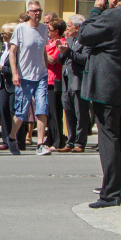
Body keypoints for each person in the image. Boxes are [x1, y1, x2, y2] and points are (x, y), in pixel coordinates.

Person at [77, 0, 121, 208]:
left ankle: (111, 193)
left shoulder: (111, 16)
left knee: (109, 139)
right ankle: (116, 188)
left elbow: (83, 34)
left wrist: (96, 10)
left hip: (109, 88)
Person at [9, 1, 51, 156]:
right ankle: (12, 137)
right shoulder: (20, 29)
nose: (37, 13)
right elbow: (13, 52)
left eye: (39, 10)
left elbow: (44, 52)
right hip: (24, 75)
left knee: (42, 108)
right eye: (34, 11)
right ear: (28, 13)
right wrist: (15, 72)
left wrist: (45, 68)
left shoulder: (44, 29)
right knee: (22, 111)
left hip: (41, 75)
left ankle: (40, 143)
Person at [58, 15, 90, 152]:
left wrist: (69, 52)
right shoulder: (68, 40)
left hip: (78, 81)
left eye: (69, 26)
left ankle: (80, 142)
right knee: (68, 112)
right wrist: (61, 52)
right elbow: (61, 60)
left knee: (80, 113)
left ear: (77, 28)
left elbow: (84, 59)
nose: (67, 28)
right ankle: (69, 141)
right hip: (66, 81)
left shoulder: (86, 42)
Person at [0, 23, 21, 154]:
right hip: (3, 84)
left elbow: (18, 69)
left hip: (14, 83)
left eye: (5, 34)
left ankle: (17, 140)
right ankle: (5, 141)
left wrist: (2, 68)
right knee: (4, 111)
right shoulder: (3, 48)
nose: (2, 36)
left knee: (14, 112)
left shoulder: (18, 49)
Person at [45, 18, 68, 151]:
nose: (48, 31)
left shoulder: (62, 43)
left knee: (55, 112)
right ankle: (51, 138)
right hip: (46, 79)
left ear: (57, 31)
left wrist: (41, 52)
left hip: (55, 80)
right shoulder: (49, 42)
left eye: (50, 29)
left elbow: (54, 60)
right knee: (49, 113)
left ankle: (59, 140)